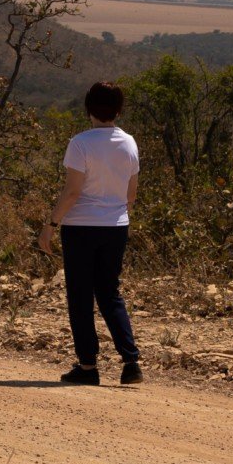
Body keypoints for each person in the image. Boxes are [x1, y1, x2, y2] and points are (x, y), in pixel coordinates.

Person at [38, 81, 142, 386]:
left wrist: (51, 224)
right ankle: (131, 362)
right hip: (116, 226)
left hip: (81, 227)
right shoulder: (129, 143)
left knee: (80, 296)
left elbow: (72, 191)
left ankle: (87, 366)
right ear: (119, 110)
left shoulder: (80, 143)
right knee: (109, 293)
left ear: (88, 109)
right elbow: (131, 195)